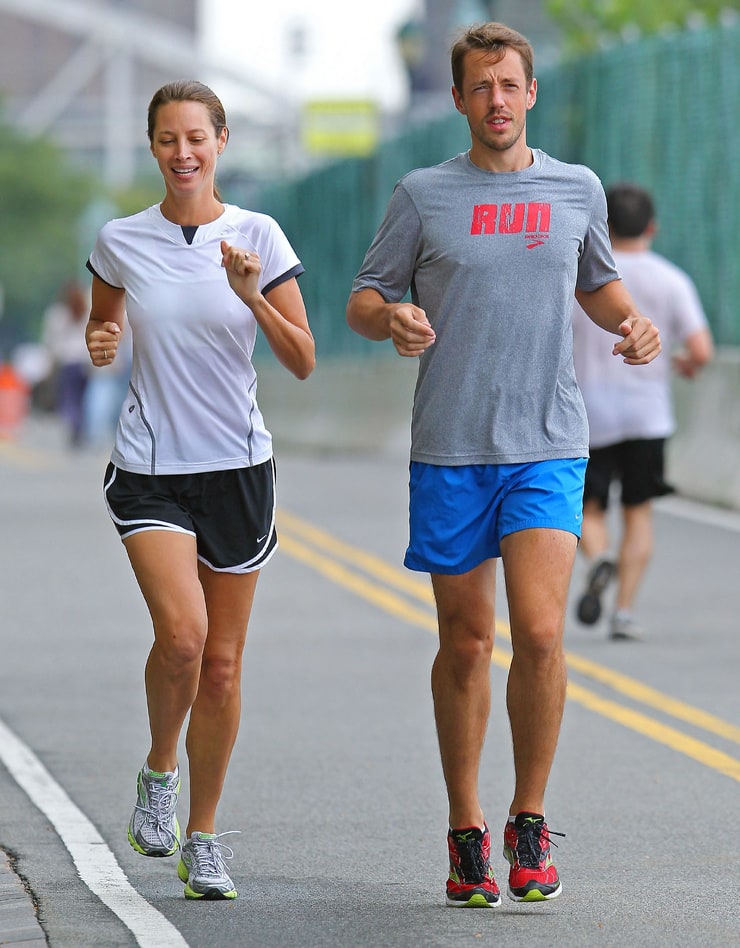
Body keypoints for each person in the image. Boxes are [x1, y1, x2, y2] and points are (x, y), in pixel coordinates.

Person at [346, 22, 661, 907]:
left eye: (510, 85)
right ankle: (465, 827)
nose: (496, 100)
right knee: (466, 643)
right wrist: (392, 319)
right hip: (452, 446)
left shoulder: (575, 189)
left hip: (548, 443)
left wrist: (630, 321)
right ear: (459, 99)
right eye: (480, 87)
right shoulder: (423, 195)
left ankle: (529, 819)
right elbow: (365, 298)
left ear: (530, 94)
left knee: (543, 632)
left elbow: (596, 283)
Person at [85, 80, 315, 901]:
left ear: (220, 144)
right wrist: (101, 338)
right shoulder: (120, 240)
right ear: (153, 148)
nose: (183, 153)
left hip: (238, 470)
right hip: (151, 469)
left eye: (197, 138)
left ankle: (204, 835)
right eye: (167, 140)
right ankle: (159, 770)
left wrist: (251, 293)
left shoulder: (259, 234)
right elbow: (102, 318)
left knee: (220, 666)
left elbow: (301, 358)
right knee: (182, 639)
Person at [572, 183, 713, 640]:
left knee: (586, 509)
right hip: (647, 416)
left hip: (589, 414)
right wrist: (683, 363)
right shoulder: (671, 280)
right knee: (639, 513)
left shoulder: (583, 279)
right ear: (652, 227)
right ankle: (625, 613)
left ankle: (598, 559)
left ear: (604, 227)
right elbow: (701, 350)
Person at [41, 282, 91, 447]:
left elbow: (51, 342)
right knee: (82, 399)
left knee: (69, 398)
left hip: (68, 362)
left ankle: (73, 427)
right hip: (85, 362)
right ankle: (81, 429)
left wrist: (50, 364)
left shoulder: (57, 314)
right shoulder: (86, 311)